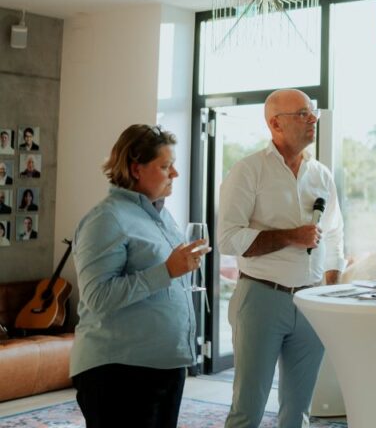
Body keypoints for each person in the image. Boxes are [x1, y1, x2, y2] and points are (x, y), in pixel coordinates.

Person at [218, 89, 345, 428]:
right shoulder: (248, 171)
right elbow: (228, 238)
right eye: (303, 113)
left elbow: (333, 234)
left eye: (313, 112)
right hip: (261, 298)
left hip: (310, 301)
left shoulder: (321, 174)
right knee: (248, 408)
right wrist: (291, 236)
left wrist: (330, 287)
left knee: (299, 411)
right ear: (275, 123)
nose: (313, 119)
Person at [70, 124, 208, 428]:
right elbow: (97, 297)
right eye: (165, 166)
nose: (175, 174)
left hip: (166, 365)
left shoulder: (163, 216)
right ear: (135, 168)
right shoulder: (106, 219)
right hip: (119, 371)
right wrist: (167, 271)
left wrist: (179, 269)